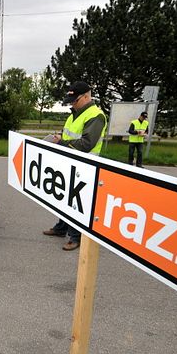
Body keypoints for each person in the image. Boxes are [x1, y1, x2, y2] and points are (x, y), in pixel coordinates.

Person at [43, 81, 107, 251]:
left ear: (87, 96)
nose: (72, 103)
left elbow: (86, 144)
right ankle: (61, 228)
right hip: (69, 162)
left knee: (76, 203)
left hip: (85, 165)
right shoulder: (74, 114)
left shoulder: (96, 115)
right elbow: (70, 135)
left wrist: (61, 142)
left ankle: (76, 236)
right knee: (64, 197)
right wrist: (60, 137)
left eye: (75, 100)